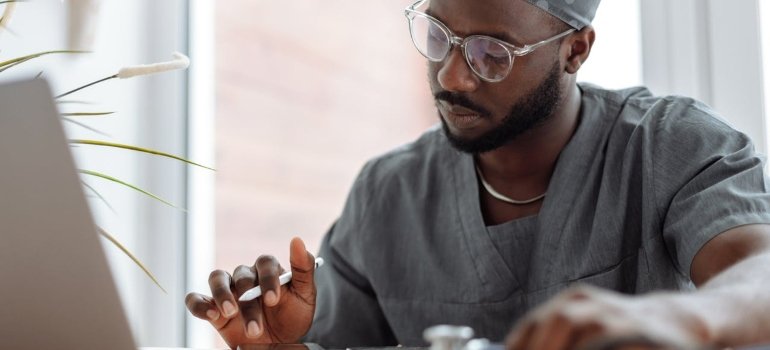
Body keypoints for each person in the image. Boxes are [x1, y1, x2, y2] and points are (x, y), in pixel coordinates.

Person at [186, 0, 770, 349]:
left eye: (494, 54)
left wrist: (679, 317)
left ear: (576, 51)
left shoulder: (671, 146)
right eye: (439, 36)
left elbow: (759, 273)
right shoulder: (389, 196)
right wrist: (285, 340)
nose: (453, 77)